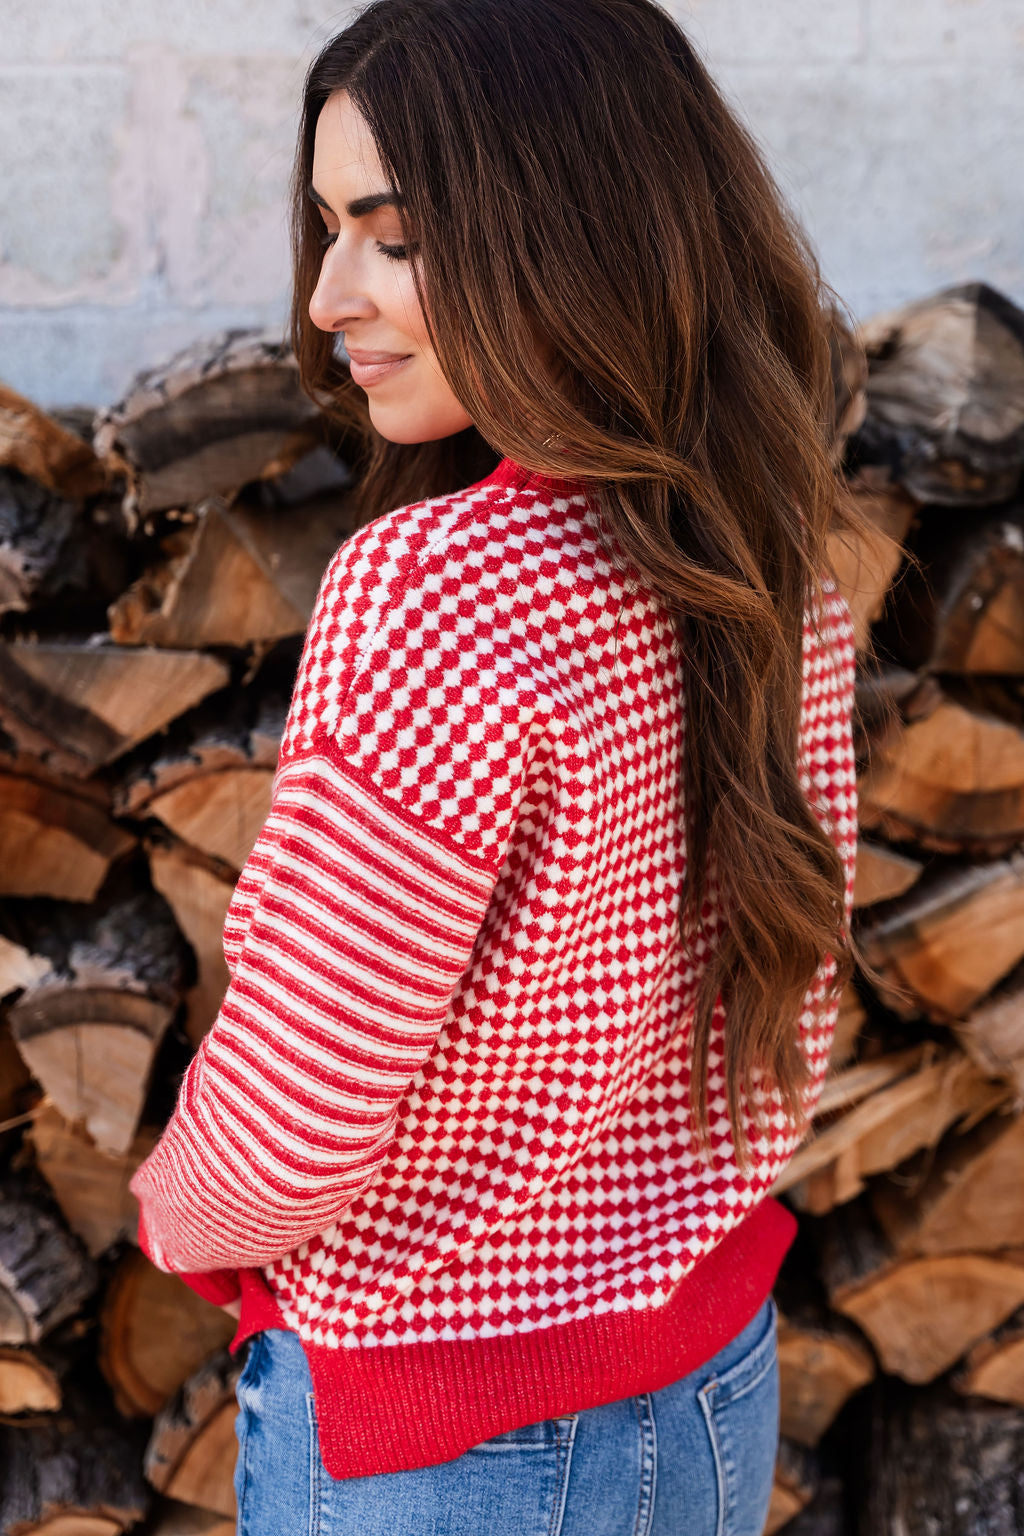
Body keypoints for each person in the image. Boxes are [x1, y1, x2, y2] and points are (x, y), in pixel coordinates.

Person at [129, 1, 869, 1531]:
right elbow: (791, 997)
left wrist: (177, 1218)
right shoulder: (770, 560)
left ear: (572, 235)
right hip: (708, 1380)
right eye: (329, 227)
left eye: (394, 237)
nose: (328, 293)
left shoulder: (437, 589)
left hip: (447, 1445)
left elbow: (293, 1111)